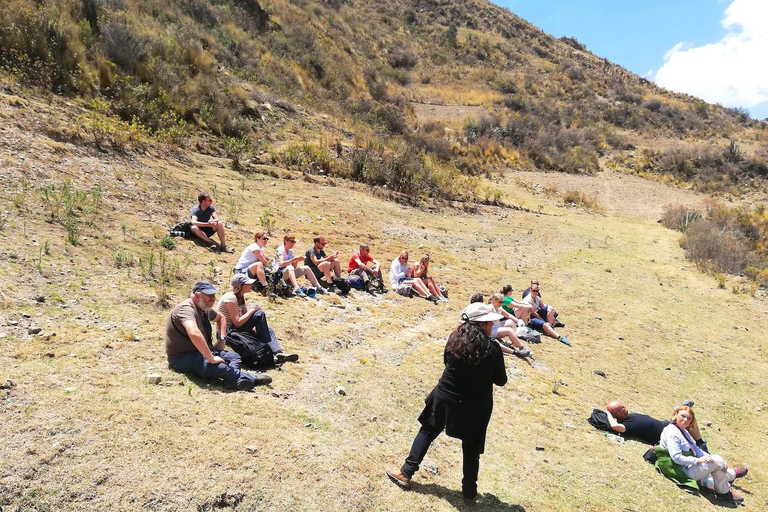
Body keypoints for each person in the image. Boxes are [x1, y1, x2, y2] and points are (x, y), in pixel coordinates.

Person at [386, 303, 508, 504]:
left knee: (427, 431)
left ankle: (406, 472)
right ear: (482, 324)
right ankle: (469, 494)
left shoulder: (454, 340)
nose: (493, 324)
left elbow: (446, 362)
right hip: (476, 405)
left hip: (445, 396)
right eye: (490, 321)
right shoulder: (493, 348)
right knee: (471, 446)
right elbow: (501, 380)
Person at [164, 281, 271, 390]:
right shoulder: (186, 309)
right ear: (197, 295)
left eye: (214, 295)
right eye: (209, 296)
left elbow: (221, 318)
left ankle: (231, 380)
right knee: (219, 367)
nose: (213, 298)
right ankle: (249, 377)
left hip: (201, 351)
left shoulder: (203, 308)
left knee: (234, 357)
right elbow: (194, 333)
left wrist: (222, 339)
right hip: (182, 357)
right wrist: (211, 358)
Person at [657, 405, 747, 502]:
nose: (685, 420)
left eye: (689, 418)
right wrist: (698, 460)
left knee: (716, 460)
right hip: (678, 470)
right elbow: (676, 458)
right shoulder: (672, 432)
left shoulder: (682, 430)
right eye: (683, 416)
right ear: (675, 415)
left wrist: (709, 458)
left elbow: (696, 449)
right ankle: (723, 492)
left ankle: (731, 475)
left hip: (686, 466)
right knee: (716, 461)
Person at [216, 274, 299, 365]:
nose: (251, 285)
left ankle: (278, 352)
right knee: (259, 314)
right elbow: (237, 323)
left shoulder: (240, 296)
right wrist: (253, 310)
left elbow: (245, 317)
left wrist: (254, 327)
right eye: (248, 284)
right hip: (229, 331)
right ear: (240, 286)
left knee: (268, 330)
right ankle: (265, 349)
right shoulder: (230, 298)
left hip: (236, 328)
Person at [605, 400, 705, 446]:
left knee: (686, 418)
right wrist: (608, 414)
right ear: (617, 414)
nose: (625, 408)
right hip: (669, 433)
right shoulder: (628, 425)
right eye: (621, 408)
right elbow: (615, 426)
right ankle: (700, 443)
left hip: (665, 423)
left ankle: (679, 411)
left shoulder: (631, 416)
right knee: (688, 419)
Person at [274, 233, 324, 298]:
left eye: (294, 242)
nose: (293, 244)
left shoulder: (291, 251)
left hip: (288, 273)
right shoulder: (280, 249)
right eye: (291, 241)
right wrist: (293, 259)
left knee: (306, 268)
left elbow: (294, 267)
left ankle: (318, 287)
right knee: (290, 267)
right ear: (285, 241)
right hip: (279, 274)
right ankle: (296, 288)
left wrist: (297, 260)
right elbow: (281, 264)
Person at [488, 293, 531, 358]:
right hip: (491, 329)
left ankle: (515, 341)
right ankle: (521, 347)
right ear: (493, 300)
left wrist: (517, 320)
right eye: (500, 302)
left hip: (497, 325)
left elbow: (508, 315)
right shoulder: (489, 309)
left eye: (502, 302)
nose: (501, 304)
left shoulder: (499, 308)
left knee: (511, 322)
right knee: (509, 331)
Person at [233, 231, 274, 295]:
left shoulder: (261, 249)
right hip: (241, 271)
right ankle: (265, 287)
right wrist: (272, 268)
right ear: (257, 239)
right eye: (264, 239)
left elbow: (267, 259)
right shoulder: (254, 247)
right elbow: (264, 261)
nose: (266, 240)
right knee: (259, 264)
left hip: (248, 270)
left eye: (267, 239)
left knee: (265, 268)